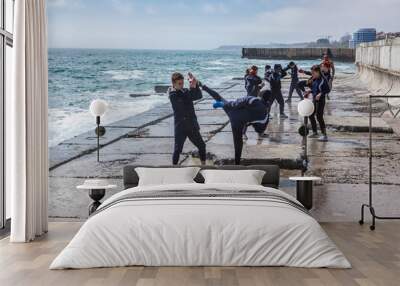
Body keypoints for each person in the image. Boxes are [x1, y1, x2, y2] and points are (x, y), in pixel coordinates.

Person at [200, 83, 270, 165]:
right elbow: (259, 128)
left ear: (259, 95)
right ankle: (237, 164)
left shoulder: (253, 99)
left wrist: (225, 105)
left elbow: (239, 102)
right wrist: (247, 122)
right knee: (238, 144)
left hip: (231, 110)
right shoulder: (265, 115)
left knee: (218, 97)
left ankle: (202, 86)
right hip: (238, 123)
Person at [168, 72, 206, 165]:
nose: (181, 85)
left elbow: (198, 96)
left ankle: (204, 166)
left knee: (202, 146)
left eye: (182, 83)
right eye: (179, 83)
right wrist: (192, 87)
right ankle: (174, 169)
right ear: (173, 84)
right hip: (181, 127)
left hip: (192, 126)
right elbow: (182, 102)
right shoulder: (172, 94)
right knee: (177, 150)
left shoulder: (185, 91)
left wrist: (195, 85)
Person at [303, 65, 330, 142]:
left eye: (313, 73)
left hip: (321, 100)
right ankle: (315, 132)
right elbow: (314, 89)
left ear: (318, 72)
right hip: (314, 99)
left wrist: (320, 94)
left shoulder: (323, 80)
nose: (312, 74)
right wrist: (309, 91)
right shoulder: (314, 80)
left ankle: (324, 135)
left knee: (319, 116)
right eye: (311, 73)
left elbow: (327, 90)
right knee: (310, 114)